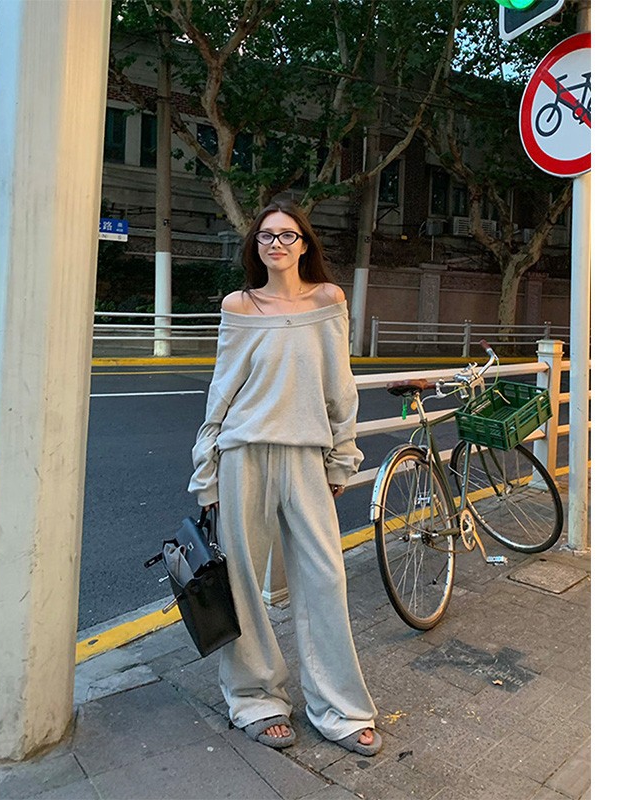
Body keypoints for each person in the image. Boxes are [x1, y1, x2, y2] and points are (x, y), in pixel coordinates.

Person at [187, 201, 381, 756]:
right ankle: (256, 700)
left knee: (325, 578)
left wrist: (342, 454)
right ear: (256, 246)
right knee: (243, 583)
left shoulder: (328, 300)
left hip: (306, 457)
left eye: (287, 235)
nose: (276, 243)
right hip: (243, 453)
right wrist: (207, 466)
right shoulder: (238, 305)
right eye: (266, 236)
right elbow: (223, 387)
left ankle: (339, 708)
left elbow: (339, 386)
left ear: (304, 243)